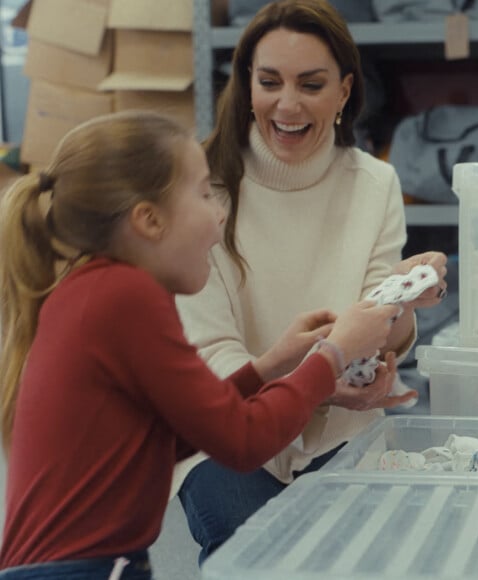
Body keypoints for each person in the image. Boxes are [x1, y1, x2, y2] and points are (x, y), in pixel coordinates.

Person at [0, 110, 405, 579]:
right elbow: (240, 440)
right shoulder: (126, 297)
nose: (218, 214)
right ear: (149, 220)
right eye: (202, 194)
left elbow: (180, 434)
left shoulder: (92, 291)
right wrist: (332, 353)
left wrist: (271, 365)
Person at [174, 0, 448, 566]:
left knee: (368, 558)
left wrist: (404, 300)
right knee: (251, 552)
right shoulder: (202, 187)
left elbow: (375, 324)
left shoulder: (374, 183)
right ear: (246, 84)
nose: (288, 104)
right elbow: (209, 354)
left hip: (339, 424)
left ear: (344, 92)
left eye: (311, 84)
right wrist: (317, 379)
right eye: (269, 81)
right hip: (226, 428)